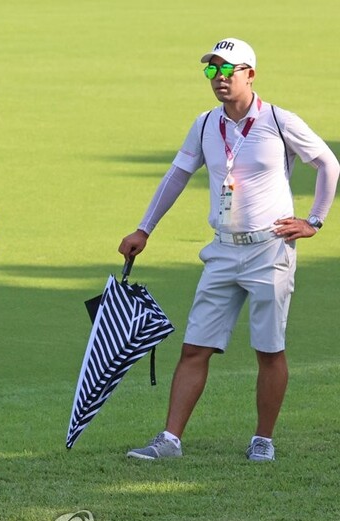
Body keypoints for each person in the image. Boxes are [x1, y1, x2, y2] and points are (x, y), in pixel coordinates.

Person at [119, 38, 338, 462]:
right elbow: (176, 177)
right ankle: (170, 440)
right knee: (194, 347)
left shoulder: (278, 120)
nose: (219, 79)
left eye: (228, 71)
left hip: (269, 251)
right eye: (212, 71)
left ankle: (263, 440)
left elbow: (328, 163)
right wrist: (144, 229)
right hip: (221, 251)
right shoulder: (204, 124)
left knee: (268, 349)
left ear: (250, 74)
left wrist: (314, 221)